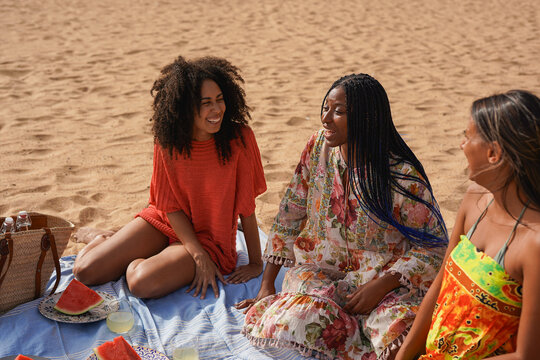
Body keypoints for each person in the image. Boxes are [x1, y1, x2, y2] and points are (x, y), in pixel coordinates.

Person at [236, 73, 448, 360]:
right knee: (297, 320)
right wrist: (266, 286)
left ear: (367, 118)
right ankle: (352, 330)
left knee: (400, 340)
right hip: (320, 276)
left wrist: (382, 284)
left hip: (384, 285)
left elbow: (434, 247)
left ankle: (365, 329)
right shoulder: (317, 149)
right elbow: (290, 213)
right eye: (325, 108)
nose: (326, 118)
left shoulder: (401, 176)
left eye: (339, 112)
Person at [73, 56, 267, 299]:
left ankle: (148, 253)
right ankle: (103, 237)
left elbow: (247, 208)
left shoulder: (240, 139)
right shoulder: (168, 143)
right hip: (165, 222)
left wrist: (255, 262)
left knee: (140, 283)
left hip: (210, 240)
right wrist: (197, 257)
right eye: (205, 103)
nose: (216, 110)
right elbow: (169, 207)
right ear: (185, 108)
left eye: (220, 100)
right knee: (84, 271)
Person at [395, 90, 540, 360]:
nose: (462, 144)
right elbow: (440, 284)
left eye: (468, 136)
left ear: (494, 153)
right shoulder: (474, 200)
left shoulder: (534, 243)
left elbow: (528, 355)